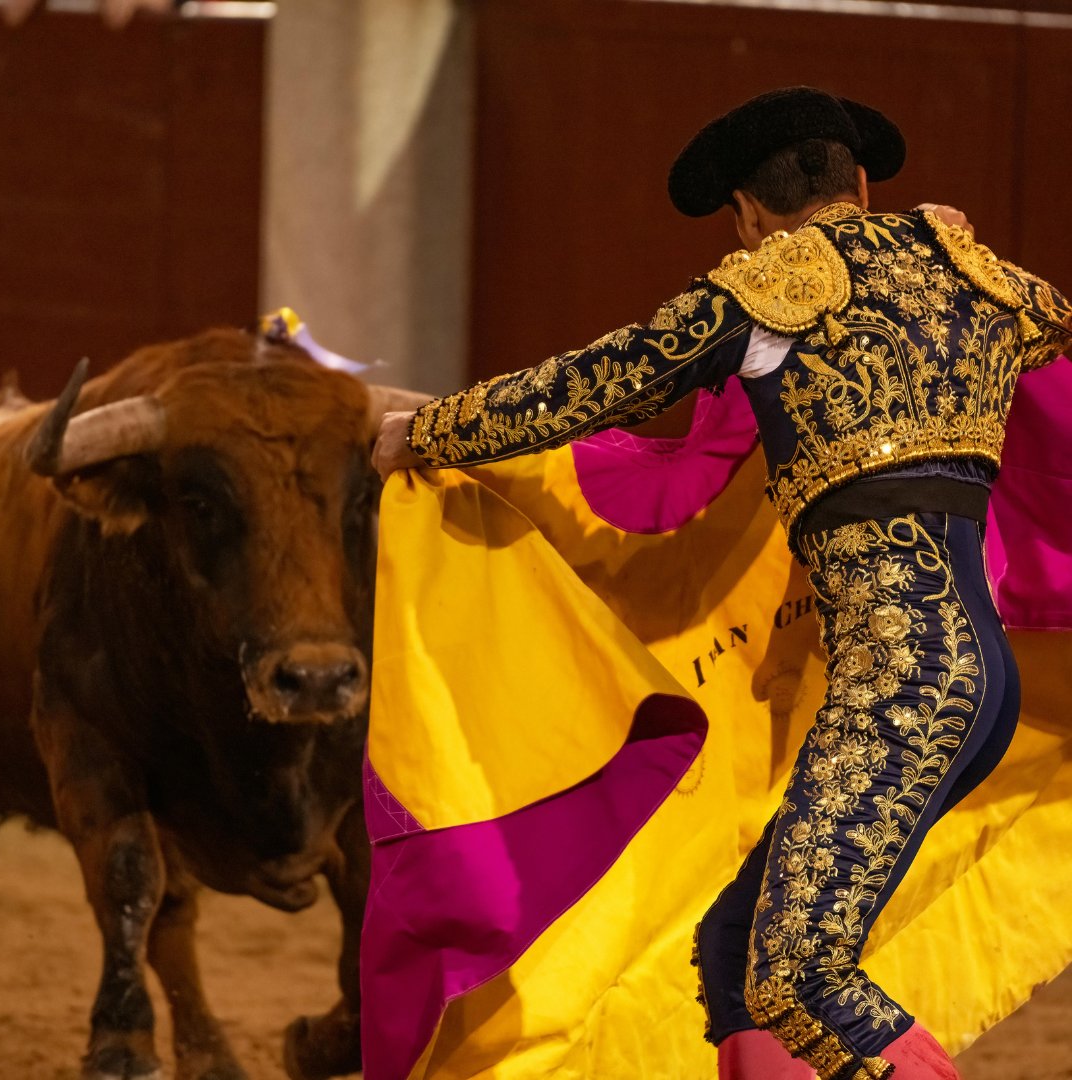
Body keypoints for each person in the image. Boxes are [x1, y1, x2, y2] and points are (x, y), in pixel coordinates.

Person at [371, 86, 1072, 1080]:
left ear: (746, 213)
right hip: (981, 683)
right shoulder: (978, 276)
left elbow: (586, 387)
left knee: (801, 979)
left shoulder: (765, 293)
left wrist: (429, 432)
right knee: (737, 955)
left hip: (900, 694)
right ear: (861, 183)